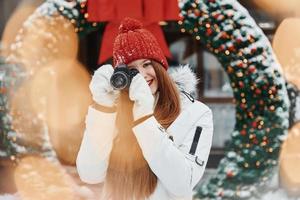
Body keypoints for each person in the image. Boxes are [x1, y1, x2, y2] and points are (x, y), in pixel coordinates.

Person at [76, 17, 214, 200]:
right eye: (131, 70)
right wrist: (103, 109)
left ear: (160, 66)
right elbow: (90, 174)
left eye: (147, 64)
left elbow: (182, 183)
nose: (141, 75)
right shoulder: (112, 111)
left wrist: (144, 119)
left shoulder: (195, 114)